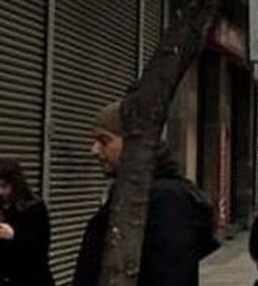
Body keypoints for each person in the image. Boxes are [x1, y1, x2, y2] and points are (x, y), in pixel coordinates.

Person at [72, 101, 219, 286]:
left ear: (135, 142)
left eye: (104, 141)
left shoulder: (165, 200)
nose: (94, 150)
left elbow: (169, 276)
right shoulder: (136, 192)